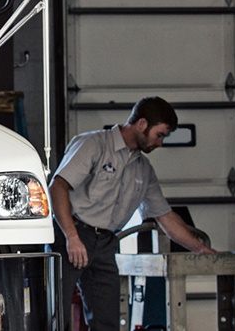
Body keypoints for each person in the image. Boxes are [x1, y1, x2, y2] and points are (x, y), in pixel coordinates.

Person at [48, 96, 217, 330]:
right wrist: (71, 237)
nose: (161, 143)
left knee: (107, 320)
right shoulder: (93, 144)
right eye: (160, 135)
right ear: (142, 124)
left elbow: (164, 216)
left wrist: (199, 248)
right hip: (71, 233)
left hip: (106, 242)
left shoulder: (143, 169)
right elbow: (58, 186)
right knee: (54, 315)